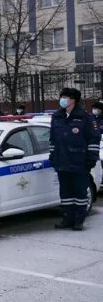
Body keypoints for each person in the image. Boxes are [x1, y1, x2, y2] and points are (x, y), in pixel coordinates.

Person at [50, 88, 98, 231]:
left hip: (79, 161)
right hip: (62, 161)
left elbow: (94, 139)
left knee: (80, 193)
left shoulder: (85, 117)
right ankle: (67, 218)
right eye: (62, 96)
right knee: (65, 193)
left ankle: (79, 220)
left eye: (65, 97)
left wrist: (91, 157)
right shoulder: (57, 116)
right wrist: (52, 155)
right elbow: (52, 139)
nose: (62, 100)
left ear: (73, 100)